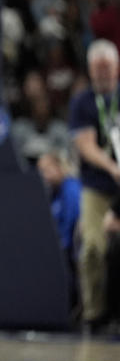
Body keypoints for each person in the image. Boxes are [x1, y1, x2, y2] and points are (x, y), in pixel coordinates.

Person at [70, 39, 120, 333]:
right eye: (97, 68)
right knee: (92, 246)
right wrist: (113, 168)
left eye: (107, 68)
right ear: (89, 70)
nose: (102, 74)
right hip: (98, 186)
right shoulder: (82, 102)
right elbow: (85, 147)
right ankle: (93, 313)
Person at [37, 151, 82, 317]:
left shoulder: (71, 189)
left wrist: (57, 249)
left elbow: (70, 223)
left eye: (46, 170)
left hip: (69, 250)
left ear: (59, 167)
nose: (43, 176)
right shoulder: (53, 192)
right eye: (40, 171)